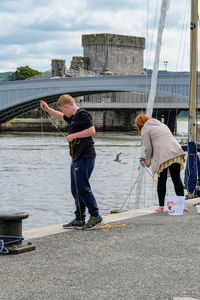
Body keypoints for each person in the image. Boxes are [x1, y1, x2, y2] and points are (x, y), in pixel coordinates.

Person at [40, 94, 102, 229]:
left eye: (63, 109)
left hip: (86, 156)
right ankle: (79, 218)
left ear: (67, 106)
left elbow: (92, 130)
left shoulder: (82, 114)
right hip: (76, 157)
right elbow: (61, 117)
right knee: (75, 188)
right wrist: (48, 109)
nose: (63, 113)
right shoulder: (73, 116)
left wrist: (73, 135)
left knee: (82, 187)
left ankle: (96, 215)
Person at [135, 114, 187, 212]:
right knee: (176, 179)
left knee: (161, 180)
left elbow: (148, 148)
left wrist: (147, 161)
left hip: (163, 154)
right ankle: (182, 205)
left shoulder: (145, 129)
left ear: (139, 124)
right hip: (175, 151)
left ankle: (161, 207)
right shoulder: (161, 124)